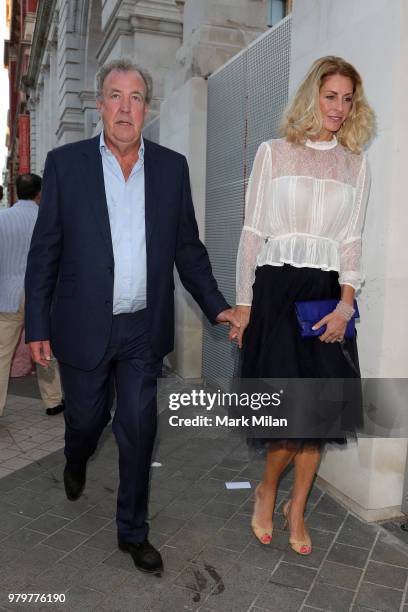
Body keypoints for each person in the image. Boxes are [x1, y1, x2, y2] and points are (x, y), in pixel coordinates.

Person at [25, 58, 237, 575]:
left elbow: (188, 249)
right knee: (87, 420)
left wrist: (219, 305)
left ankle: (133, 532)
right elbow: (44, 251)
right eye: (115, 96)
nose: (125, 107)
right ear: (100, 104)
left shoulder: (170, 168)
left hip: (143, 327)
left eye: (135, 97)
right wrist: (37, 325)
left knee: (140, 428)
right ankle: (76, 457)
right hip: (82, 326)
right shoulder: (66, 164)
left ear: (147, 108)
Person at [229, 56, 375, 555]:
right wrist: (244, 305)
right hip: (273, 292)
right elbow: (251, 234)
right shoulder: (274, 153)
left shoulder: (356, 164)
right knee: (286, 421)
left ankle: (297, 507)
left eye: (347, 99)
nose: (338, 107)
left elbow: (352, 242)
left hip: (324, 298)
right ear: (313, 96)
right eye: (330, 95)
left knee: (318, 418)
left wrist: (345, 307)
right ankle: (268, 488)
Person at [0, 173, 64, 418]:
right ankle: (53, 401)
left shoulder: (2, 219)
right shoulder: (49, 219)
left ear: (14, 191)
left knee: (2, 353)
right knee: (45, 347)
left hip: (7, 293)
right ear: (40, 193)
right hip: (43, 293)